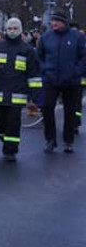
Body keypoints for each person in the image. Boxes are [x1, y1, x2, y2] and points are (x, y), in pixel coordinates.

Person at [0, 18, 41, 161]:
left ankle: (10, 150)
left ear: (20, 30)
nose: (12, 31)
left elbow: (33, 74)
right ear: (6, 30)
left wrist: (34, 96)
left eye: (15, 28)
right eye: (10, 29)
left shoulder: (27, 50)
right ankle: (5, 139)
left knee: (13, 124)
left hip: (17, 94)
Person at [36, 10, 86, 153]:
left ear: (64, 22)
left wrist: (76, 71)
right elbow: (39, 55)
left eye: (57, 21)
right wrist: (45, 69)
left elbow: (83, 57)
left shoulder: (77, 37)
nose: (54, 23)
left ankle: (68, 140)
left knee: (70, 111)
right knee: (47, 107)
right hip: (51, 79)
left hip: (72, 81)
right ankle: (50, 139)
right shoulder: (46, 37)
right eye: (52, 21)